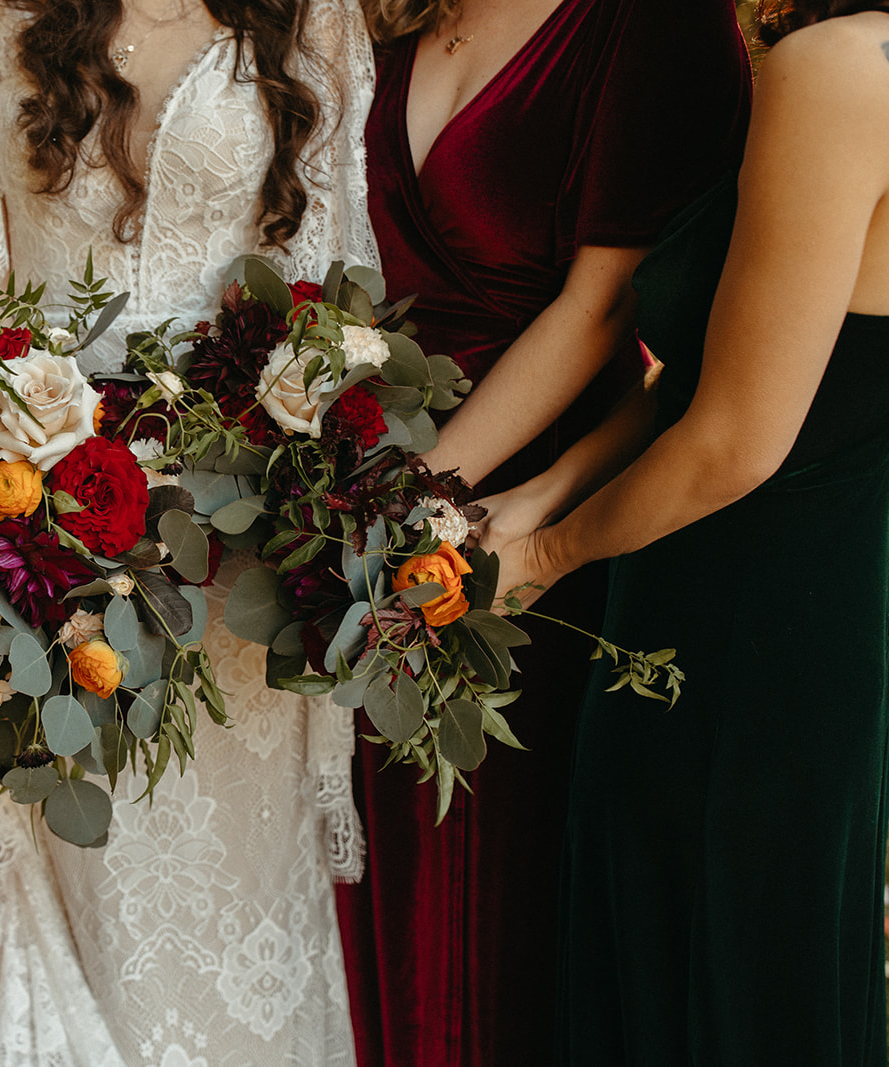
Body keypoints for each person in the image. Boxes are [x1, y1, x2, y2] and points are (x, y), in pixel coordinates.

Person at [0, 1, 375, 1063]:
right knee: (91, 906)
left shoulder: (310, 11)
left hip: (241, 568)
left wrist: (306, 506)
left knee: (244, 936)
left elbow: (333, 280)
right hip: (51, 559)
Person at [342, 1, 752, 1064]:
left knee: (483, 905)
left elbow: (607, 303)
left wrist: (414, 501)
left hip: (513, 514)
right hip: (344, 489)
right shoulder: (379, 10)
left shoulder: (653, 25)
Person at [479, 2, 889, 1060]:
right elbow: (745, 373)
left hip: (737, 621)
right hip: (808, 601)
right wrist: (546, 491)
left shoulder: (840, 69)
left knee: (701, 986)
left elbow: (738, 439)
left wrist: (543, 557)